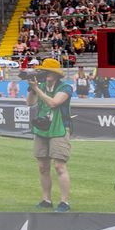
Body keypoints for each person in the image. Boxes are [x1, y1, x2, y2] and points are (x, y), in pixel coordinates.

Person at [27, 57, 73, 211]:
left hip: (59, 129)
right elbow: (29, 103)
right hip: (42, 128)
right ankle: (46, 199)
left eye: (49, 71)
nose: (46, 74)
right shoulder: (39, 85)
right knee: (43, 167)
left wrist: (37, 89)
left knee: (59, 166)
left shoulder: (66, 87)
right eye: (44, 71)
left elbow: (53, 103)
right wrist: (32, 88)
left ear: (56, 74)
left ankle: (64, 202)